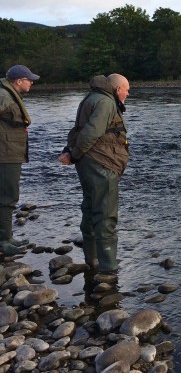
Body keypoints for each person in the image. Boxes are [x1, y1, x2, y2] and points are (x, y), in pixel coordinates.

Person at [59, 74, 130, 275]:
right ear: (117, 90)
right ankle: (109, 267)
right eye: (126, 89)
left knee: (90, 209)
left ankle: (92, 260)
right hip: (101, 164)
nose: (128, 93)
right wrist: (73, 154)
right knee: (105, 214)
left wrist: (71, 152)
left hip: (89, 163)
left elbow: (77, 130)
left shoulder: (92, 98)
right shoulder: (106, 103)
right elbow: (90, 132)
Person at [0, 65, 40, 255]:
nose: (31, 82)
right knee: (8, 197)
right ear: (18, 81)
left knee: (8, 196)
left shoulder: (7, 94)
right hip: (5, 153)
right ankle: (3, 241)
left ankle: (7, 238)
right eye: (28, 79)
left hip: (9, 152)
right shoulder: (4, 96)